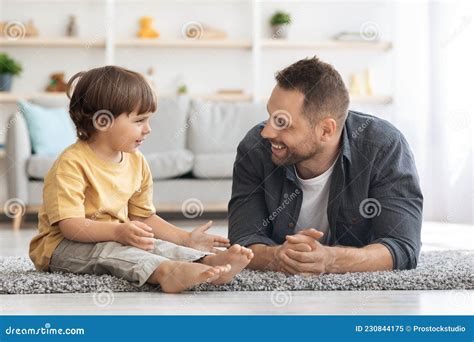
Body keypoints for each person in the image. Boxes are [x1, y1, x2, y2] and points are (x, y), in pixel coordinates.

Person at [29, 66, 253, 293]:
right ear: (103, 121)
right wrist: (118, 232)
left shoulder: (137, 161)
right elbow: (70, 227)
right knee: (117, 252)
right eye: (139, 121)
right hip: (61, 247)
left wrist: (185, 239)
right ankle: (166, 273)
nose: (148, 130)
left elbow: (143, 217)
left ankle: (204, 263)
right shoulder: (71, 163)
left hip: (114, 237)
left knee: (153, 244)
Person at [229, 57, 423, 275]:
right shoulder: (255, 149)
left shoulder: (384, 146)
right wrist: (278, 256)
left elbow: (403, 247)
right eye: (270, 116)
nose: (267, 132)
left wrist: (331, 260)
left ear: (326, 130)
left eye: (282, 122)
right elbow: (243, 240)